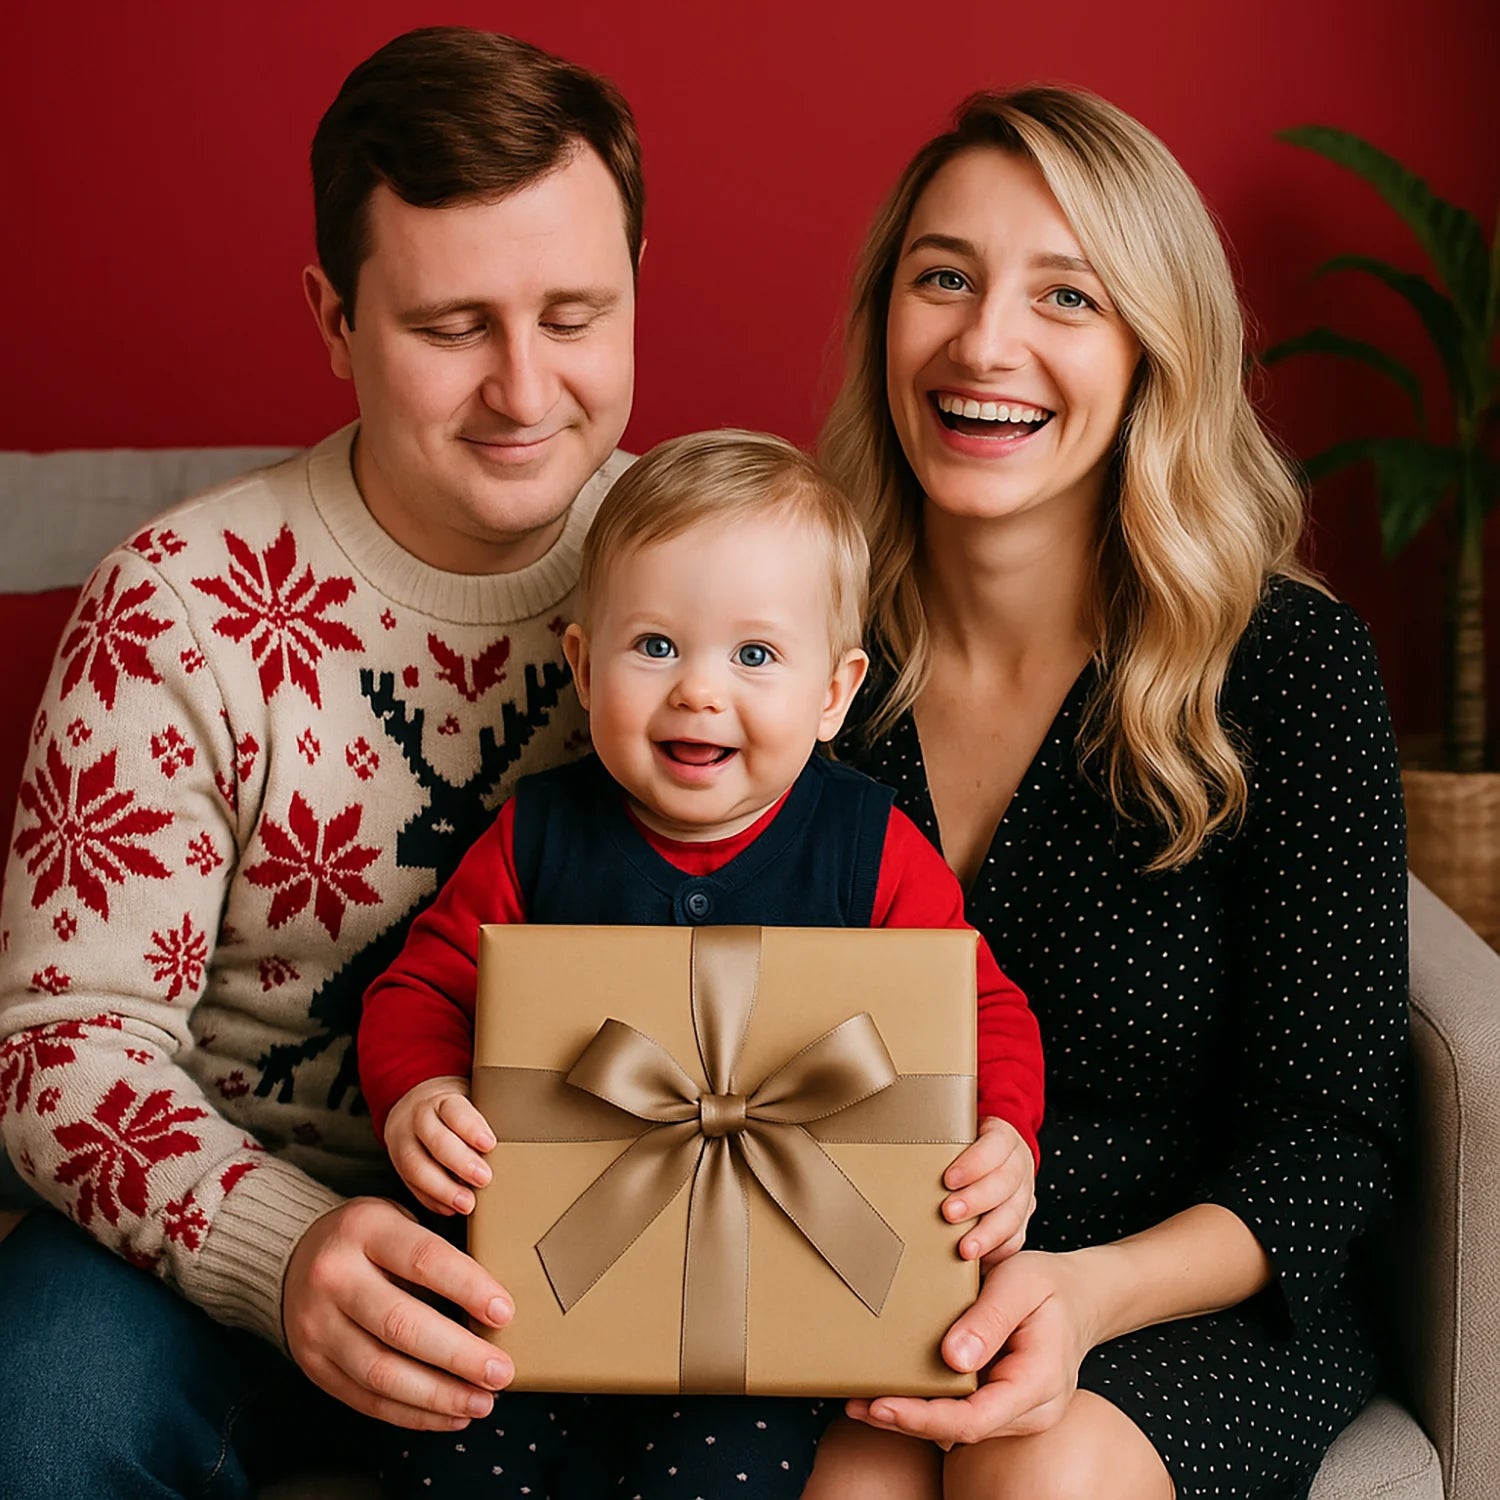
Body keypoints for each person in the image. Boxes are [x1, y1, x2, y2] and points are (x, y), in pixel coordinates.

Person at [0, 26, 645, 1496]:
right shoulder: (177, 606)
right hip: (212, 1226)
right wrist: (282, 1246)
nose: (525, 389)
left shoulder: (724, 585)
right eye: (452, 327)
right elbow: (60, 1040)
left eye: (574, 316)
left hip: (591, 1241)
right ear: (335, 319)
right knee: (38, 1411)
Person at [801, 87, 1409, 1500]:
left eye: (1066, 296)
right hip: (864, 1282)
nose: (983, 343)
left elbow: (1329, 1144)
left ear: (1152, 350)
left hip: (1180, 1286)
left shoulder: (1290, 668)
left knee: (1044, 1468)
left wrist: (1085, 1293)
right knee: (854, 1480)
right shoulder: (789, 650)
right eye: (942, 278)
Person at [359, 428, 1046, 1497]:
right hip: (533, 1294)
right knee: (446, 1456)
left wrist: (1005, 1134)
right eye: (655, 646)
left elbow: (980, 1008)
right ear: (583, 667)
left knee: (721, 1482)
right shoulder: (537, 836)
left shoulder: (871, 850)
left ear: (834, 692)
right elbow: (423, 989)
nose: (698, 692)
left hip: (770, 1320)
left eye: (755, 656)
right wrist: (422, 1093)